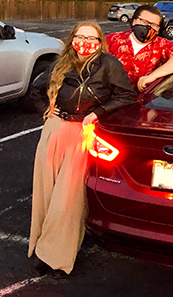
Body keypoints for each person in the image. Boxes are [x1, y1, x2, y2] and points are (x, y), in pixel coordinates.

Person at [28, 22, 136, 278]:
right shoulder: (60, 63)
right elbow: (36, 90)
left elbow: (126, 95)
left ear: (99, 41)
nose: (85, 42)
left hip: (81, 133)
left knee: (68, 198)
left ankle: (58, 256)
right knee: (47, 192)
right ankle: (43, 246)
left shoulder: (109, 65)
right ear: (72, 38)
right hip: (54, 130)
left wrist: (97, 113)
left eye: (91, 37)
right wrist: (45, 109)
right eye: (80, 36)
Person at [107, 5, 173, 92]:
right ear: (134, 21)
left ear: (158, 29)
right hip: (110, 100)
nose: (148, 27)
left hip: (142, 101)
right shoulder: (113, 40)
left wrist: (152, 76)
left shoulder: (161, 45)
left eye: (153, 25)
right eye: (144, 22)